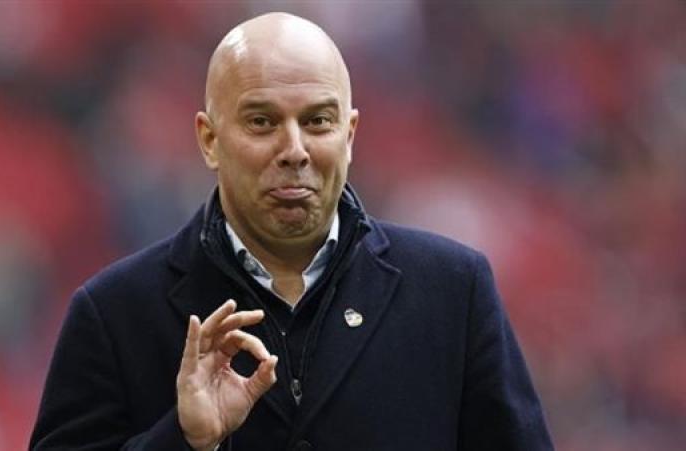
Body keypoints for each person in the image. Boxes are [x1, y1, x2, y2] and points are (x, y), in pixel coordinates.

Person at [30, 12, 553, 451]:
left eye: (318, 121)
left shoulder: (452, 291)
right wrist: (185, 441)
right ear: (209, 140)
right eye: (262, 122)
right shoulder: (113, 313)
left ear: (349, 135)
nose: (295, 150)